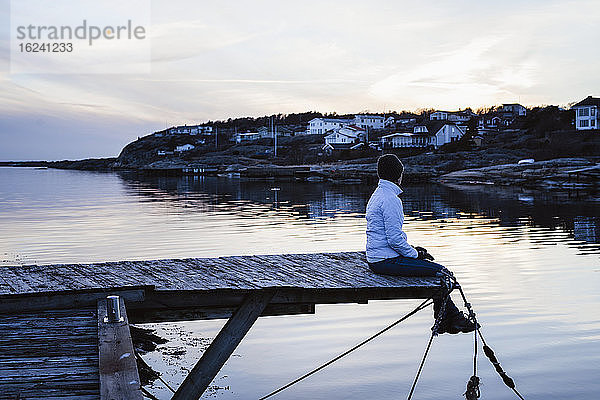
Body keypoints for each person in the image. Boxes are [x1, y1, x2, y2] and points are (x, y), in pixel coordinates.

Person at [366, 154, 475, 334]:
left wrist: (414, 251)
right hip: (385, 261)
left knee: (434, 271)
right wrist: (415, 255)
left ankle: (448, 320)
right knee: (442, 272)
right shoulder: (391, 199)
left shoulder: (378, 195)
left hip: (378, 257)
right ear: (398, 175)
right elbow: (394, 239)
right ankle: (450, 320)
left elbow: (390, 238)